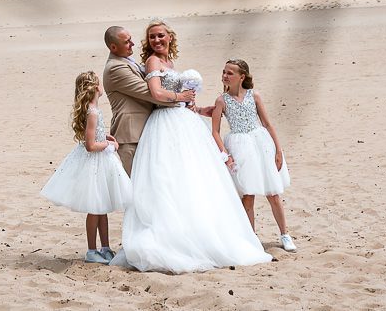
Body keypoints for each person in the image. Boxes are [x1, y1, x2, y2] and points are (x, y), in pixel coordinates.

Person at [109, 21, 273, 273]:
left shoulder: (169, 63)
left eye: (161, 35)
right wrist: (180, 98)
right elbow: (155, 93)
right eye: (152, 37)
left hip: (183, 120)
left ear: (170, 37)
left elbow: (176, 97)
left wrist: (196, 108)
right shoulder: (152, 62)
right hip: (164, 124)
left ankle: (197, 232)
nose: (156, 40)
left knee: (191, 177)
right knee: (168, 179)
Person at [39, 71, 132, 263]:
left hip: (101, 161)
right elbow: (90, 146)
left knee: (103, 207)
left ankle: (105, 247)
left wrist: (105, 137)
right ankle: (91, 250)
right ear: (96, 87)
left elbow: (94, 134)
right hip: (95, 163)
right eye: (99, 83)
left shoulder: (94, 109)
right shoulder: (92, 111)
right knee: (95, 207)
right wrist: (109, 145)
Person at [210, 58, 296, 253]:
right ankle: (252, 238)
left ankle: (285, 234)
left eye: (230, 73)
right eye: (224, 72)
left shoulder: (254, 96)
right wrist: (226, 155)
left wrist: (278, 149)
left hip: (261, 145)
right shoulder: (221, 101)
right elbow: (215, 131)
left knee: (273, 193)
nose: (225, 76)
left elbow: (267, 123)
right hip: (239, 148)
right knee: (248, 196)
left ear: (242, 77)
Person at [101, 24, 193, 176]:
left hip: (147, 130)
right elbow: (150, 93)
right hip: (131, 135)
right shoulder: (115, 68)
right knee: (138, 183)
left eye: (131, 39)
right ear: (113, 47)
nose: (132, 44)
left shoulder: (129, 61)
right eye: (126, 42)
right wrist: (182, 99)